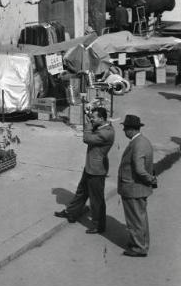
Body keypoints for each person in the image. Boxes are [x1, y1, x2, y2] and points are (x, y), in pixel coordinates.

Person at [55, 107, 114, 233]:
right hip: (90, 167)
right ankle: (71, 213)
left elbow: (87, 139)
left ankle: (98, 225)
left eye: (94, 117)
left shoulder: (106, 132)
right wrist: (91, 122)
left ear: (102, 118)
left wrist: (87, 124)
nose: (92, 119)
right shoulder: (101, 127)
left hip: (97, 171)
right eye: (91, 117)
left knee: (96, 200)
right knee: (81, 192)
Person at [118, 114, 156, 257]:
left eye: (125, 128)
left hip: (133, 188)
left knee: (134, 220)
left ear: (130, 129)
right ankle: (142, 243)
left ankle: (138, 248)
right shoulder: (144, 141)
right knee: (140, 218)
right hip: (138, 188)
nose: (124, 131)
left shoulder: (137, 144)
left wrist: (150, 179)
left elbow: (140, 169)